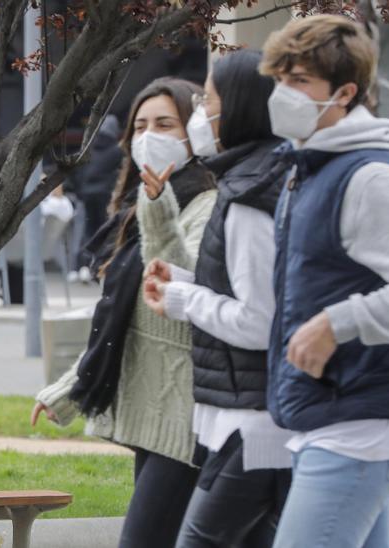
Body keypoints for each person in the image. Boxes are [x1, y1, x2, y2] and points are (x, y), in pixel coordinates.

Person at [257, 15, 389, 548]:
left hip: (361, 422)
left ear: (345, 92)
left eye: (300, 81)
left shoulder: (369, 176)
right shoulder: (312, 168)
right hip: (343, 414)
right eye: (280, 78)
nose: (284, 93)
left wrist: (336, 324)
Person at [31, 77, 217, 548]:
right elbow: (125, 320)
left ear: (194, 131)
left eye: (165, 123)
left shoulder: (210, 203)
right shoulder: (141, 204)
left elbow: (175, 287)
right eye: (141, 126)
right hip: (157, 415)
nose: (149, 135)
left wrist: (157, 208)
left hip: (187, 414)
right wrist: (69, 389)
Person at [136, 50, 294, 547]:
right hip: (253, 415)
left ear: (241, 106)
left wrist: (183, 298)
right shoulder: (260, 178)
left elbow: (258, 318)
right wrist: (187, 280)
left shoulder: (248, 196)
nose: (202, 114)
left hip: (251, 420)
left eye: (209, 100)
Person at [67, 114, 124, 283]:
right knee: (106, 233)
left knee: (85, 232)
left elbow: (78, 173)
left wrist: (79, 192)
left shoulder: (89, 149)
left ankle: (80, 267)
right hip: (106, 197)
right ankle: (97, 267)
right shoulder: (117, 151)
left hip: (86, 197)